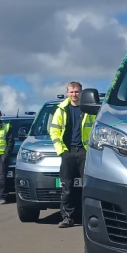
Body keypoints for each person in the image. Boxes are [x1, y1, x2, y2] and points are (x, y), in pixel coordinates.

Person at [49, 81, 95, 228]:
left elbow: (96, 128)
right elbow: (54, 131)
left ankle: (89, 217)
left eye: (77, 92)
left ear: (81, 92)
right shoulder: (61, 109)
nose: (74, 94)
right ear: (67, 92)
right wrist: (61, 150)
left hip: (84, 151)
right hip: (67, 151)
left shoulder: (89, 109)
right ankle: (67, 218)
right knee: (67, 187)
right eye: (71, 92)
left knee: (88, 186)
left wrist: (91, 149)